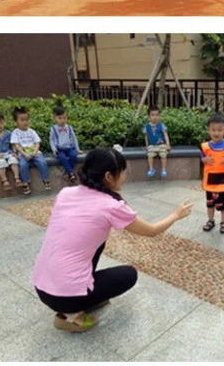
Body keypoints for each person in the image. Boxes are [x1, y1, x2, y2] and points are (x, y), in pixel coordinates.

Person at [32, 147, 192, 332]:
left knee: (96, 244)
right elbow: (151, 231)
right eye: (123, 172)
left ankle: (82, 297)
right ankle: (70, 315)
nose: (124, 176)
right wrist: (175, 215)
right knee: (128, 275)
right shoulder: (110, 206)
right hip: (64, 297)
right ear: (109, 176)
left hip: (41, 287)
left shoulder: (66, 193)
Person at [201, 112, 224, 235]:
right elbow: (202, 158)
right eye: (213, 130)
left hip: (223, 181)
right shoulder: (205, 147)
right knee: (210, 203)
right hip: (210, 181)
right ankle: (210, 220)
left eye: (219, 130)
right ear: (208, 130)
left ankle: (223, 222)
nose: (216, 133)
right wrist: (204, 160)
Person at [10, 106, 51, 194]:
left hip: (34, 152)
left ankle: (46, 180)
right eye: (22, 120)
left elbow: (37, 142)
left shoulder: (32, 131)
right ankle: (26, 183)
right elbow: (16, 145)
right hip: (23, 153)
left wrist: (35, 151)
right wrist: (24, 154)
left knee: (42, 162)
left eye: (26, 119)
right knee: (23, 165)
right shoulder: (15, 132)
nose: (25, 122)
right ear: (16, 122)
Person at [0, 110, 23, 192]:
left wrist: (14, 152)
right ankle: (4, 181)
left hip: (8, 152)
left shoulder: (8, 133)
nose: (0, 125)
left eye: (1, 123)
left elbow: (12, 144)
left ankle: (17, 178)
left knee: (13, 160)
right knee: (1, 163)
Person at [49, 105, 81, 184]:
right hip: (60, 149)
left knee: (73, 156)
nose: (62, 120)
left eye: (64, 118)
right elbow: (51, 140)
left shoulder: (69, 128)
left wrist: (77, 149)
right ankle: (71, 173)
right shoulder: (53, 129)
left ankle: (68, 172)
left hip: (70, 147)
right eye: (60, 118)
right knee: (62, 158)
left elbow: (74, 138)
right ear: (55, 118)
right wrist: (54, 149)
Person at [144, 105, 171, 178]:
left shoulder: (161, 125)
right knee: (149, 155)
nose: (155, 117)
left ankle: (163, 169)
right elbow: (146, 136)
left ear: (159, 116)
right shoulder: (147, 126)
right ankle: (151, 169)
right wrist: (146, 145)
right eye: (152, 115)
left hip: (161, 145)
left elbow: (165, 135)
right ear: (149, 116)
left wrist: (168, 144)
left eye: (156, 115)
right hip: (152, 145)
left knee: (163, 155)